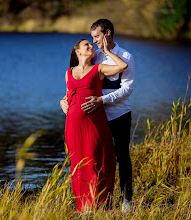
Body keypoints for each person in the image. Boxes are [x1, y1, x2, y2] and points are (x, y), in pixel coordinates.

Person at [61, 19, 135, 212]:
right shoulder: (95, 57)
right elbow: (81, 82)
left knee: (121, 157)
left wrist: (102, 100)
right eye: (91, 38)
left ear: (107, 34)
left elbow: (127, 89)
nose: (94, 42)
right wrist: (64, 100)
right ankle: (94, 200)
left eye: (96, 37)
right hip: (96, 116)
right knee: (94, 158)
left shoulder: (126, 56)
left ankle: (126, 201)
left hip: (118, 113)